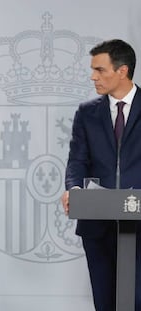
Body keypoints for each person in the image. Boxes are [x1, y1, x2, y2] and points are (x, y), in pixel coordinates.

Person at [61, 39, 141, 311]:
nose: (93, 76)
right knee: (104, 300)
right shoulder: (87, 113)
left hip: (139, 219)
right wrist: (74, 189)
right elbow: (77, 160)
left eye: (100, 70)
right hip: (98, 221)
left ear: (122, 71)